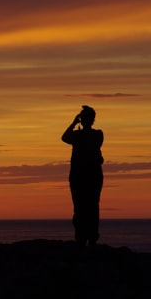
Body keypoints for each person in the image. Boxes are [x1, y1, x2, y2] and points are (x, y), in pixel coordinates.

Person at [61, 105, 104, 246]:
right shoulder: (96, 134)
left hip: (84, 175)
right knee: (87, 207)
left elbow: (65, 137)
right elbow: (65, 138)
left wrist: (74, 123)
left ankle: (85, 238)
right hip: (86, 175)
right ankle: (87, 238)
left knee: (84, 207)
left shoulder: (90, 135)